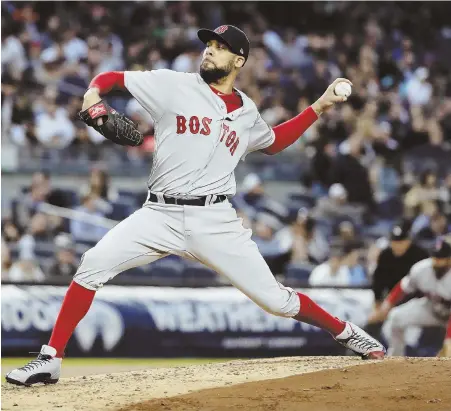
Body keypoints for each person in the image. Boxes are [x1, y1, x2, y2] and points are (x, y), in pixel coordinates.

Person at [6, 24, 384, 387]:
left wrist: (320, 105)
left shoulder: (247, 111)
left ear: (239, 61)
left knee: (276, 301)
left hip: (214, 220)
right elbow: (112, 79)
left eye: (219, 47)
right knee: (91, 266)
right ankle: (51, 358)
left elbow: (274, 142)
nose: (210, 49)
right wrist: (92, 95)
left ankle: (348, 333)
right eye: (208, 44)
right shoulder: (173, 84)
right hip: (159, 214)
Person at [367, 240, 451, 356]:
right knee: (396, 317)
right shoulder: (422, 268)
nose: (436, 262)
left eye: (441, 258)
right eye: (435, 257)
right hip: (431, 308)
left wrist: (448, 339)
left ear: (449, 259)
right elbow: (403, 287)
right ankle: (396, 359)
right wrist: (387, 305)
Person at [371, 223, 429, 306]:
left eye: (401, 243)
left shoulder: (420, 254)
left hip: (417, 299)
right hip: (391, 298)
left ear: (408, 241)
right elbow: (378, 280)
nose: (397, 246)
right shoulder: (385, 255)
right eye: (394, 243)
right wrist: (377, 301)